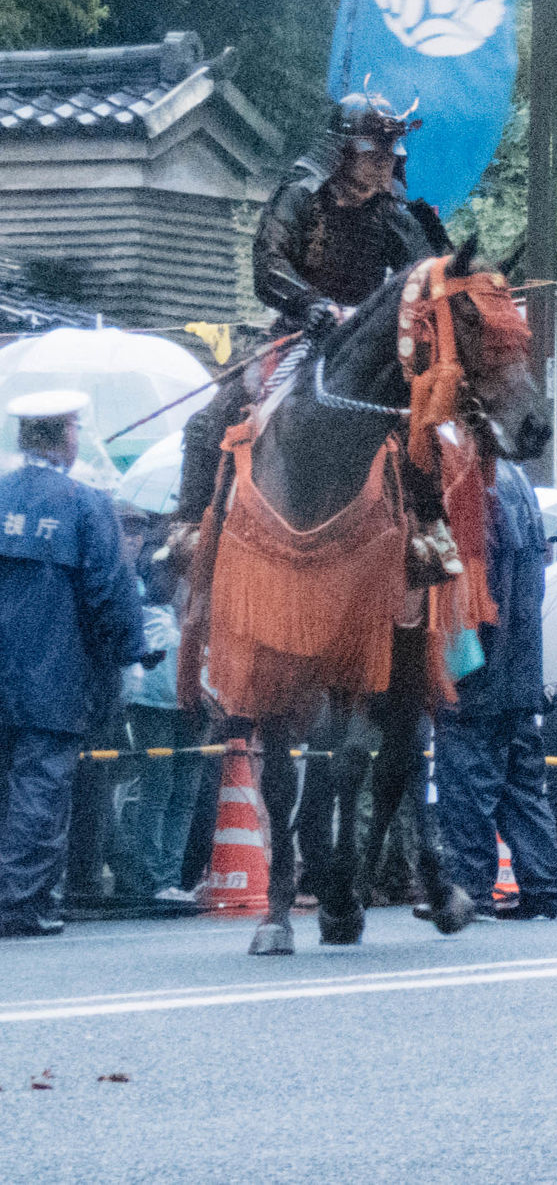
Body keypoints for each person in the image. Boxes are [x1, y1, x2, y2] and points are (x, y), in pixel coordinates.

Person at [175, 92, 452, 529]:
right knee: (207, 425)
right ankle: (189, 530)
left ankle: (430, 534)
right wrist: (311, 305)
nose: (383, 163)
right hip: (301, 333)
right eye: (372, 153)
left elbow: (428, 275)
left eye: (389, 154)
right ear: (343, 153)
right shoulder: (300, 196)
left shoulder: (393, 212)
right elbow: (269, 266)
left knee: (420, 429)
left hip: (367, 341)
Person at [0, 392, 150, 938]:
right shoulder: (85, 504)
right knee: (40, 789)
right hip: (53, 673)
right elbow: (110, 594)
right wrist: (129, 655)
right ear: (66, 434)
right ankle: (20, 904)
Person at [433, 459, 557, 920]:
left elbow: (465, 578)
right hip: (520, 667)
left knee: (468, 785)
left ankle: (471, 890)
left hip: (476, 668)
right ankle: (546, 887)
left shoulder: (464, 480)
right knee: (522, 786)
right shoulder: (518, 482)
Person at [111, 519, 200, 904]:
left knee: (184, 792)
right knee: (159, 789)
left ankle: (171, 876)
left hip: (197, 701)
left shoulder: (208, 587)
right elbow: (158, 645)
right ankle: (153, 878)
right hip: (154, 700)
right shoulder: (151, 583)